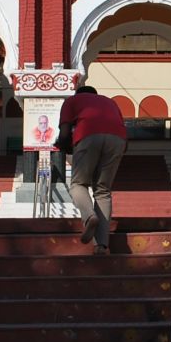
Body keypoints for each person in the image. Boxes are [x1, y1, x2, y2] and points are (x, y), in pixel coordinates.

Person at [56, 86, 127, 254]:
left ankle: (89, 217)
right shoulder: (110, 102)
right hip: (118, 140)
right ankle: (102, 245)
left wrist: (64, 147)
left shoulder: (72, 101)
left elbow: (65, 133)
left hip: (88, 135)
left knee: (78, 184)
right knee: (103, 191)